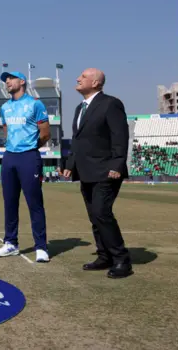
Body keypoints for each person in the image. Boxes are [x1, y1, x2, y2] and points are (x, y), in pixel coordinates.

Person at [63, 68, 132, 279]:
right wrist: (70, 164)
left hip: (106, 170)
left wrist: (117, 165)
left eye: (82, 77)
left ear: (95, 82)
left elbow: (120, 136)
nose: (77, 79)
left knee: (102, 212)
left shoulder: (111, 104)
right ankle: (104, 256)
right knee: (95, 216)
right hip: (85, 171)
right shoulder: (79, 108)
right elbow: (78, 140)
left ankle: (121, 259)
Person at [0, 71, 51, 262]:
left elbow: (45, 133)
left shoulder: (35, 104)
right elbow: (6, 131)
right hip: (9, 157)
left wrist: (31, 149)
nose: (7, 82)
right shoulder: (4, 107)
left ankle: (41, 246)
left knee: (34, 203)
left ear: (22, 81)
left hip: (29, 157)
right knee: (9, 202)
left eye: (11, 78)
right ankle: (10, 243)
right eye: (5, 80)